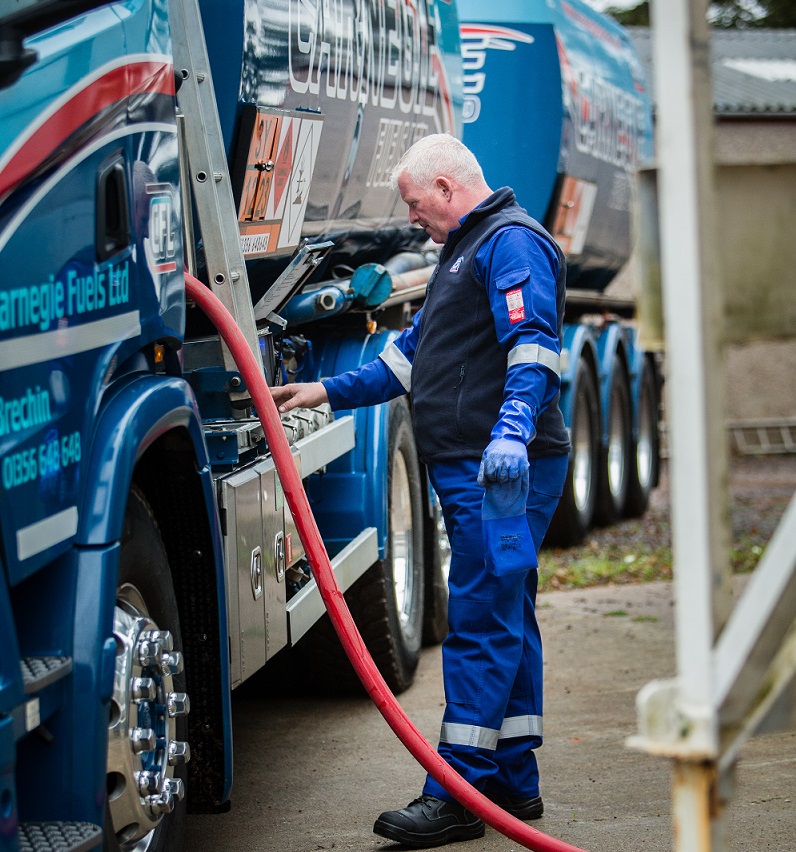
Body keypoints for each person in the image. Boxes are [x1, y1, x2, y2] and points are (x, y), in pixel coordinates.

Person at [270, 133, 571, 848]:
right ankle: (512, 779)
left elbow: (534, 350)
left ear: (444, 187)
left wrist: (511, 433)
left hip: (501, 470)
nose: (413, 219)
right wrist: (322, 389)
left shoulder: (509, 245)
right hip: (479, 465)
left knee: (481, 618)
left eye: (415, 204)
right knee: (508, 611)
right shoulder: (461, 255)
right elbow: (403, 368)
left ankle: (458, 793)